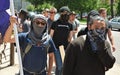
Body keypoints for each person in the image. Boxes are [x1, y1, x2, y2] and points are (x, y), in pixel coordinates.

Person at [63, 10, 115, 75]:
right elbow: (67, 70)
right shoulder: (76, 44)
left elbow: (109, 64)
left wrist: (102, 48)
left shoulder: (105, 44)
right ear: (89, 26)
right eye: (96, 27)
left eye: (102, 28)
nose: (99, 30)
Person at [50, 6, 73, 75]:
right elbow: (51, 35)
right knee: (59, 66)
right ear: (60, 14)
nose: (65, 15)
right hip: (56, 47)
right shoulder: (55, 23)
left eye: (67, 14)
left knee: (63, 66)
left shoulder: (70, 25)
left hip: (65, 48)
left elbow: (70, 38)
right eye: (64, 13)